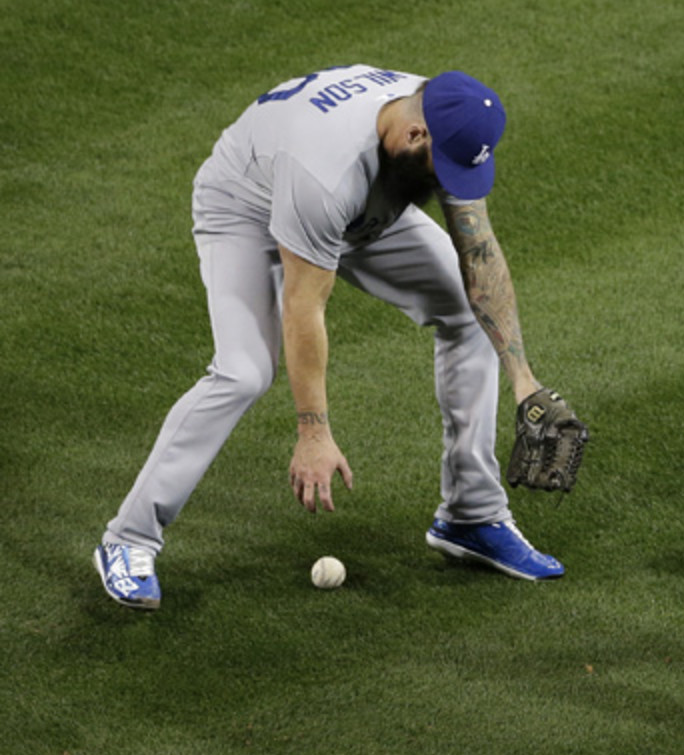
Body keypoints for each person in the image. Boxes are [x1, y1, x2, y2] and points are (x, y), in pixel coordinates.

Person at [94, 66, 574, 610]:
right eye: (447, 170)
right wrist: (313, 432)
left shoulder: (447, 116)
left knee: (467, 314)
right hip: (246, 207)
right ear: (416, 137)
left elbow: (479, 251)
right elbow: (303, 307)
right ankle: (128, 538)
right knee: (244, 371)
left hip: (356, 204)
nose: (451, 183)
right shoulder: (325, 168)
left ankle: (472, 515)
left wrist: (524, 379)